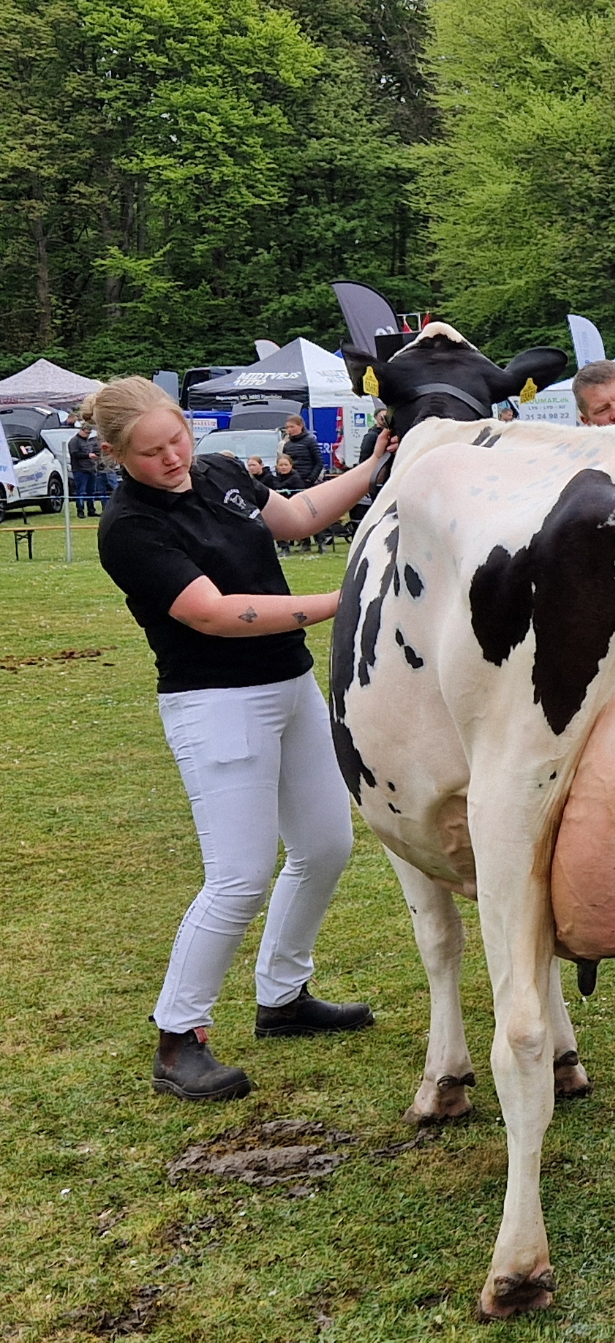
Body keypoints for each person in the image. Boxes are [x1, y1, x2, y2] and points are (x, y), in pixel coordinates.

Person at [87, 377, 391, 1102]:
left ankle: (282, 998)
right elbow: (215, 613)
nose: (174, 458)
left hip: (289, 685)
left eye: (178, 439)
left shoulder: (219, 469)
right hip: (215, 703)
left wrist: (377, 464)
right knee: (240, 875)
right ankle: (177, 1037)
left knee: (326, 846)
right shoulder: (129, 528)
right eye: (153, 451)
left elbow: (295, 515)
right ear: (112, 454)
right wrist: (342, 602)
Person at [280, 415, 324, 486]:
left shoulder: (310, 441)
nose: (289, 430)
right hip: (291, 482)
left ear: (301, 426)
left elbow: (319, 462)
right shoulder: (287, 445)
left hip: (306, 480)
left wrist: (310, 479)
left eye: (292, 427)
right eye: (287, 427)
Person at [69, 426, 104, 516]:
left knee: (91, 491)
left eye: (89, 433)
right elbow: (74, 454)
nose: (87, 434)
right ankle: (80, 510)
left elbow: (95, 450)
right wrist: (87, 455)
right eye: (86, 432)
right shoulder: (74, 441)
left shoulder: (89, 441)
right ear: (81, 430)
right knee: (80, 491)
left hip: (91, 469)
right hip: (80, 470)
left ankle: (91, 510)